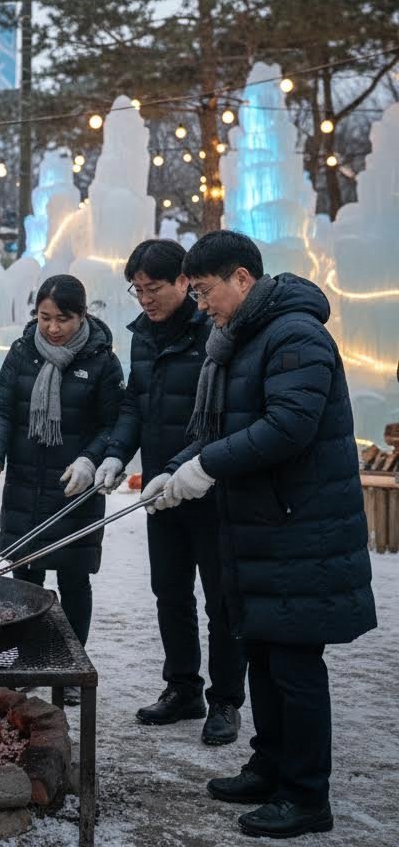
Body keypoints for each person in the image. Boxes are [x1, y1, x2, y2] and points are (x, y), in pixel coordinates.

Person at [145, 231, 376, 840]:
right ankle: (270, 766)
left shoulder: (296, 334)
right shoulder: (241, 338)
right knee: (266, 656)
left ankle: (305, 796)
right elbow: (224, 425)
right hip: (257, 529)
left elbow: (288, 427)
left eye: (204, 291)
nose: (200, 306)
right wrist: (175, 468)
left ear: (242, 278)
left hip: (300, 527)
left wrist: (207, 467)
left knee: (295, 666)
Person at [95, 240, 246, 745]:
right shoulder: (142, 336)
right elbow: (136, 403)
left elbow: (226, 415)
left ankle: (225, 701)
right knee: (170, 592)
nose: (144, 299)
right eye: (136, 290)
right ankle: (183, 687)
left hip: (211, 483)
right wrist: (117, 453)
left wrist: (191, 468)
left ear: (185, 281)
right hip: (161, 487)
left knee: (221, 600)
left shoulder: (218, 329)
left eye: (153, 288)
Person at [0, 275, 123, 674]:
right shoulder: (23, 352)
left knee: (74, 579)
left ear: (82, 315)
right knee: (26, 577)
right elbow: (2, 409)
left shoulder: (102, 361)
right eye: (45, 318)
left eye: (64, 319)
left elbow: (113, 424)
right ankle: (28, 659)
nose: (54, 328)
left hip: (75, 486)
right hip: (25, 482)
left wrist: (91, 460)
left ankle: (71, 664)